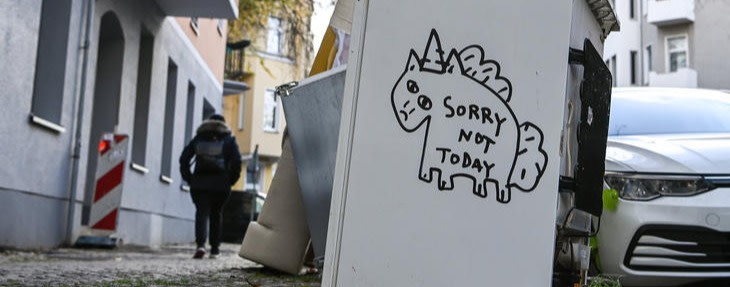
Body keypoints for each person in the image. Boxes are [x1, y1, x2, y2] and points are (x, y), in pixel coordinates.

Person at [179, 114, 242, 259]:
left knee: (201, 213)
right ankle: (214, 249)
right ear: (224, 125)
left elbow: (184, 159)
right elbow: (237, 162)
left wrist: (190, 179)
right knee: (216, 214)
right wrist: (230, 180)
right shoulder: (229, 140)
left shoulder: (199, 138)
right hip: (221, 185)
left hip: (199, 184)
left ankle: (200, 245)